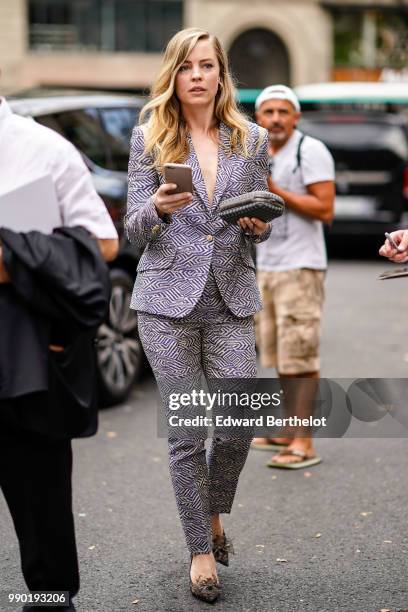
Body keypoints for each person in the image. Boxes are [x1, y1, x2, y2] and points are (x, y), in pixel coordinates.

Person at [125, 27, 271, 603]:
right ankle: (201, 550)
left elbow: (257, 212)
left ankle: (211, 510)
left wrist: (257, 225)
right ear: (174, 74)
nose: (198, 76)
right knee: (187, 431)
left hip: (231, 296)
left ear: (221, 73)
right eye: (187, 67)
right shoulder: (150, 140)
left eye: (207, 65)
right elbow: (132, 230)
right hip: (166, 303)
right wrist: (156, 209)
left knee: (237, 422)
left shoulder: (250, 138)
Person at [0, 89, 119, 612]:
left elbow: (104, 244)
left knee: (43, 530)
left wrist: (11, 257)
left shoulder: (42, 149)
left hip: (24, 360)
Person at [252, 85, 335, 469]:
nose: (276, 119)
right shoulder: (256, 152)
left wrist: (275, 192)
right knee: (281, 355)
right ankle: (288, 429)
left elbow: (325, 209)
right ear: (258, 117)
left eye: (283, 112)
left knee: (300, 354)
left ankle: (304, 441)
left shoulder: (310, 151)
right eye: (268, 112)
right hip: (266, 265)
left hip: (301, 267)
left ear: (296, 117)